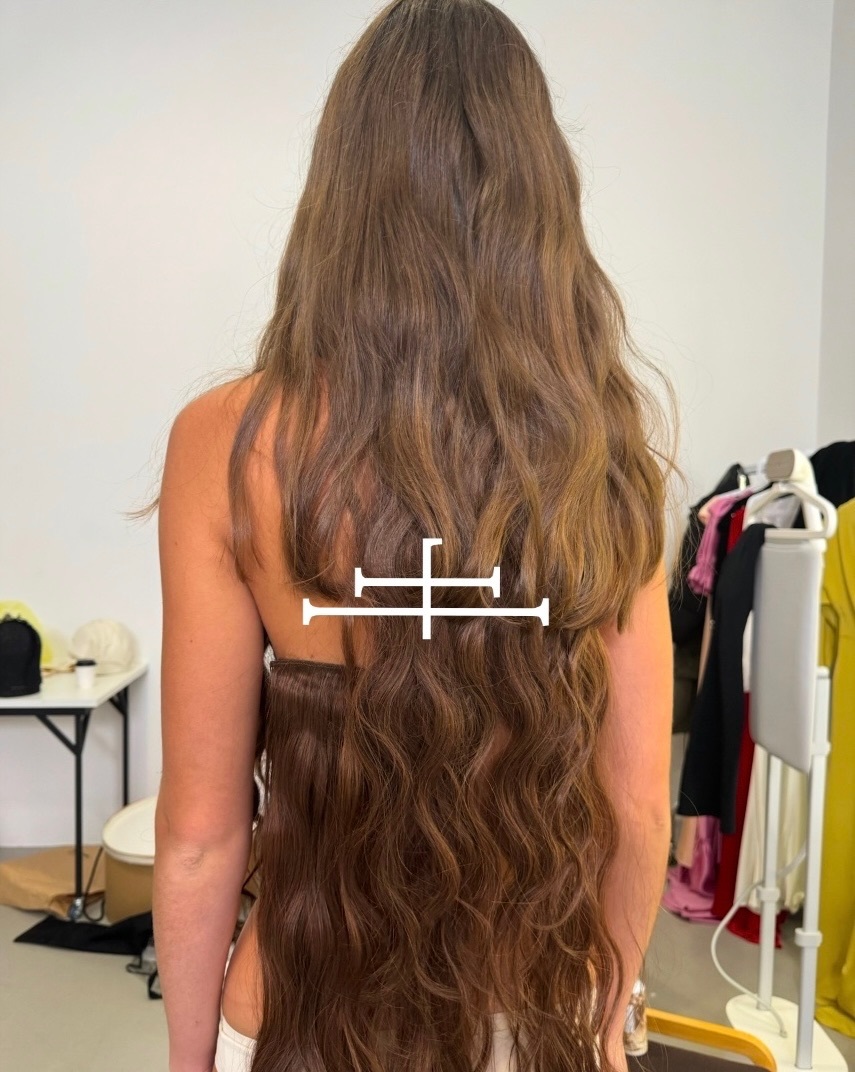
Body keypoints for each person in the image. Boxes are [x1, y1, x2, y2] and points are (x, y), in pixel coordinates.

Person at [151, 1, 675, 1070]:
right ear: (539, 202)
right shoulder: (601, 448)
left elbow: (201, 835)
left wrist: (190, 1062)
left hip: (302, 1016)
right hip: (530, 1017)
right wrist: (611, 1018)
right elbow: (633, 806)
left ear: (341, 196)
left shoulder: (228, 442)